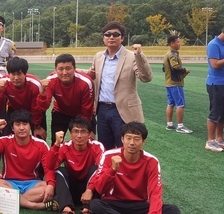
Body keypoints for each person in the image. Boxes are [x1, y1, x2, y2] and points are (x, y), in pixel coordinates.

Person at [89, 122, 181, 214]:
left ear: (143, 142)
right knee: (95, 205)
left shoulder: (152, 161)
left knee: (173, 212)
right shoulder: (109, 156)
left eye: (137, 139)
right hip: (114, 204)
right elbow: (100, 188)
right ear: (122, 139)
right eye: (128, 138)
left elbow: (155, 193)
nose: (132, 143)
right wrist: (112, 170)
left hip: (139, 206)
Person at [88, 22, 152, 150]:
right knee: (105, 148)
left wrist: (139, 55)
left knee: (126, 147)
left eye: (116, 34)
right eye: (108, 34)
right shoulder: (99, 57)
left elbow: (146, 77)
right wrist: (69, 72)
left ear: (122, 38)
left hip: (123, 110)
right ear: (103, 37)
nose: (111, 37)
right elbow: (91, 74)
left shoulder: (132, 56)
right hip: (102, 110)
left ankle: (126, 171)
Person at [0, 110, 56, 210]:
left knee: (50, 186)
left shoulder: (41, 145)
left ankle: (11, 200)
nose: (21, 128)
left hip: (32, 184)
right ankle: (33, 205)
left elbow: (49, 167)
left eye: (25, 124)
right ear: (12, 127)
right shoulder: (5, 141)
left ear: (30, 126)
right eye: (17, 124)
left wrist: (50, 185)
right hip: (9, 183)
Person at [0, 56, 47, 174]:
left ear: (25, 74)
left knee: (39, 137)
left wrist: (37, 126)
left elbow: (37, 108)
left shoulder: (35, 84)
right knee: (4, 136)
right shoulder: (3, 82)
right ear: (8, 74)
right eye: (12, 74)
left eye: (19, 74)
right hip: (13, 110)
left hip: (33, 110)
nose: (15, 78)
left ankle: (40, 172)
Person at [51, 116, 105, 214]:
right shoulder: (64, 146)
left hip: (89, 190)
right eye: (76, 131)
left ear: (90, 134)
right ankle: (67, 210)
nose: (79, 135)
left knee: (95, 169)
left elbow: (103, 170)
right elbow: (51, 166)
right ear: (70, 133)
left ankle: (87, 210)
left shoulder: (97, 146)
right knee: (60, 171)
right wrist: (56, 145)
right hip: (71, 189)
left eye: (83, 132)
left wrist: (90, 189)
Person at [37, 53, 95, 144]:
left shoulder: (85, 82)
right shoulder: (51, 81)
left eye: (68, 68)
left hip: (81, 114)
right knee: (56, 143)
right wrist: (43, 94)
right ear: (55, 70)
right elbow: (43, 107)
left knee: (86, 143)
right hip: (61, 112)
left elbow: (87, 109)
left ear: (74, 68)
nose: (64, 73)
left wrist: (86, 128)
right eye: (60, 69)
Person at [164, 35, 192, 134]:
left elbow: (164, 68)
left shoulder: (168, 54)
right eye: (178, 42)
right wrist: (185, 70)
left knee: (170, 103)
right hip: (175, 83)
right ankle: (180, 126)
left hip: (168, 83)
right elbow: (175, 66)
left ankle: (170, 124)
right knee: (180, 104)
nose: (179, 44)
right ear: (172, 43)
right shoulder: (173, 54)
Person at [205, 27, 224, 152]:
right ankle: (210, 141)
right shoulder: (213, 44)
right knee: (215, 112)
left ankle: (219, 138)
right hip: (215, 83)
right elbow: (215, 64)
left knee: (222, 113)